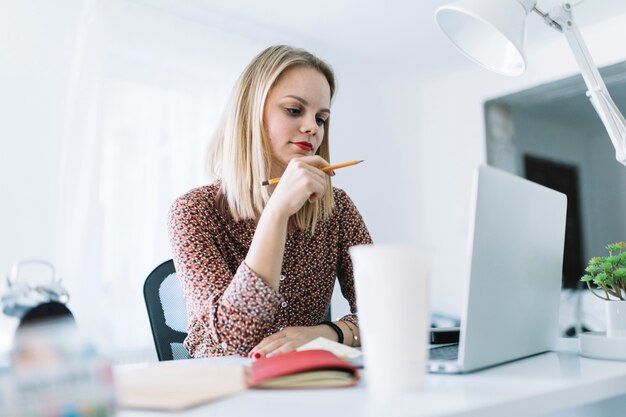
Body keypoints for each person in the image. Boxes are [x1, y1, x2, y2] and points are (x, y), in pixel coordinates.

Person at [168, 45, 372, 359]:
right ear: (250, 114)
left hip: (307, 384)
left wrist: (327, 333)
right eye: (294, 110)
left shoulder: (337, 208)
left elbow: (388, 309)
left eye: (321, 118)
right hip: (225, 389)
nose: (312, 128)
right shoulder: (193, 212)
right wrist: (276, 212)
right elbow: (236, 338)